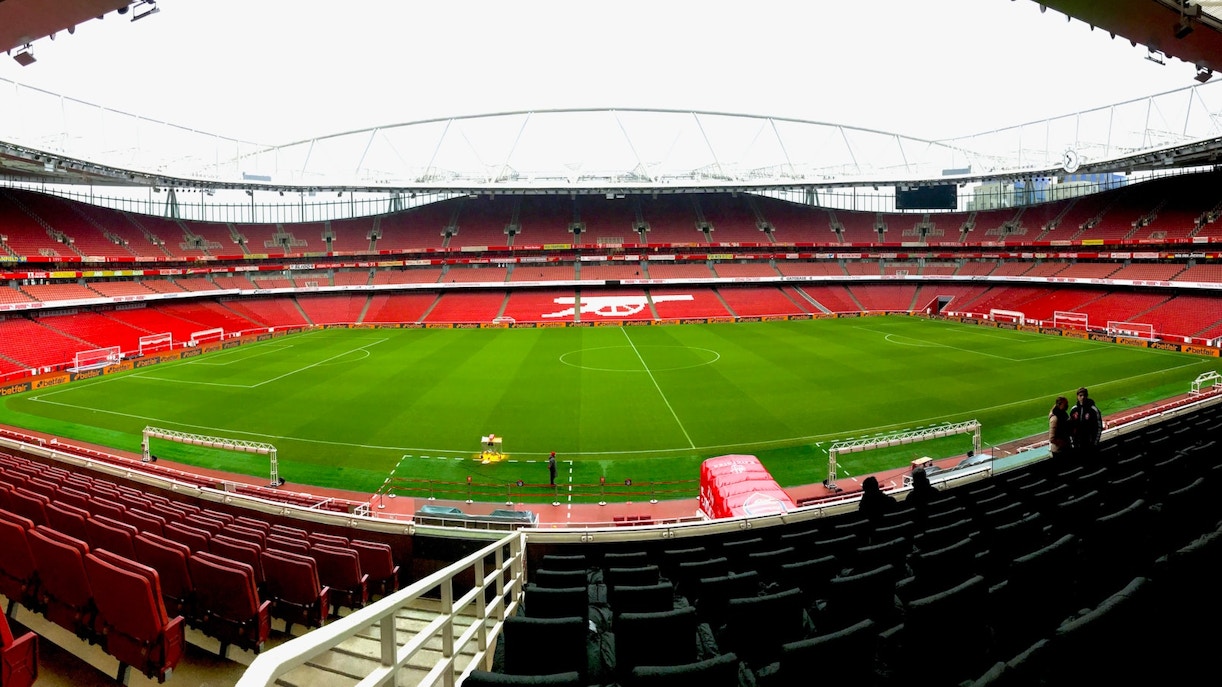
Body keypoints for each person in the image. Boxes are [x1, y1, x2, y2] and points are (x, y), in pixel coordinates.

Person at [1069, 386, 1104, 462]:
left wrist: (1095, 443)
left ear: (1087, 396)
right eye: (1080, 395)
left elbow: (1099, 427)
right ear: (1077, 397)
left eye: (1084, 395)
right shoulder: (1074, 410)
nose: (1082, 397)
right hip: (1077, 445)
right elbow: (1070, 427)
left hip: (1090, 444)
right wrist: (1073, 442)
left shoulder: (1093, 410)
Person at [1048, 395, 1071, 459]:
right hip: (1059, 450)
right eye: (1065, 404)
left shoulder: (1062, 413)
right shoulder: (1055, 419)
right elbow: (1052, 438)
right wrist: (1063, 443)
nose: (1067, 405)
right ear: (1059, 405)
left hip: (1065, 447)